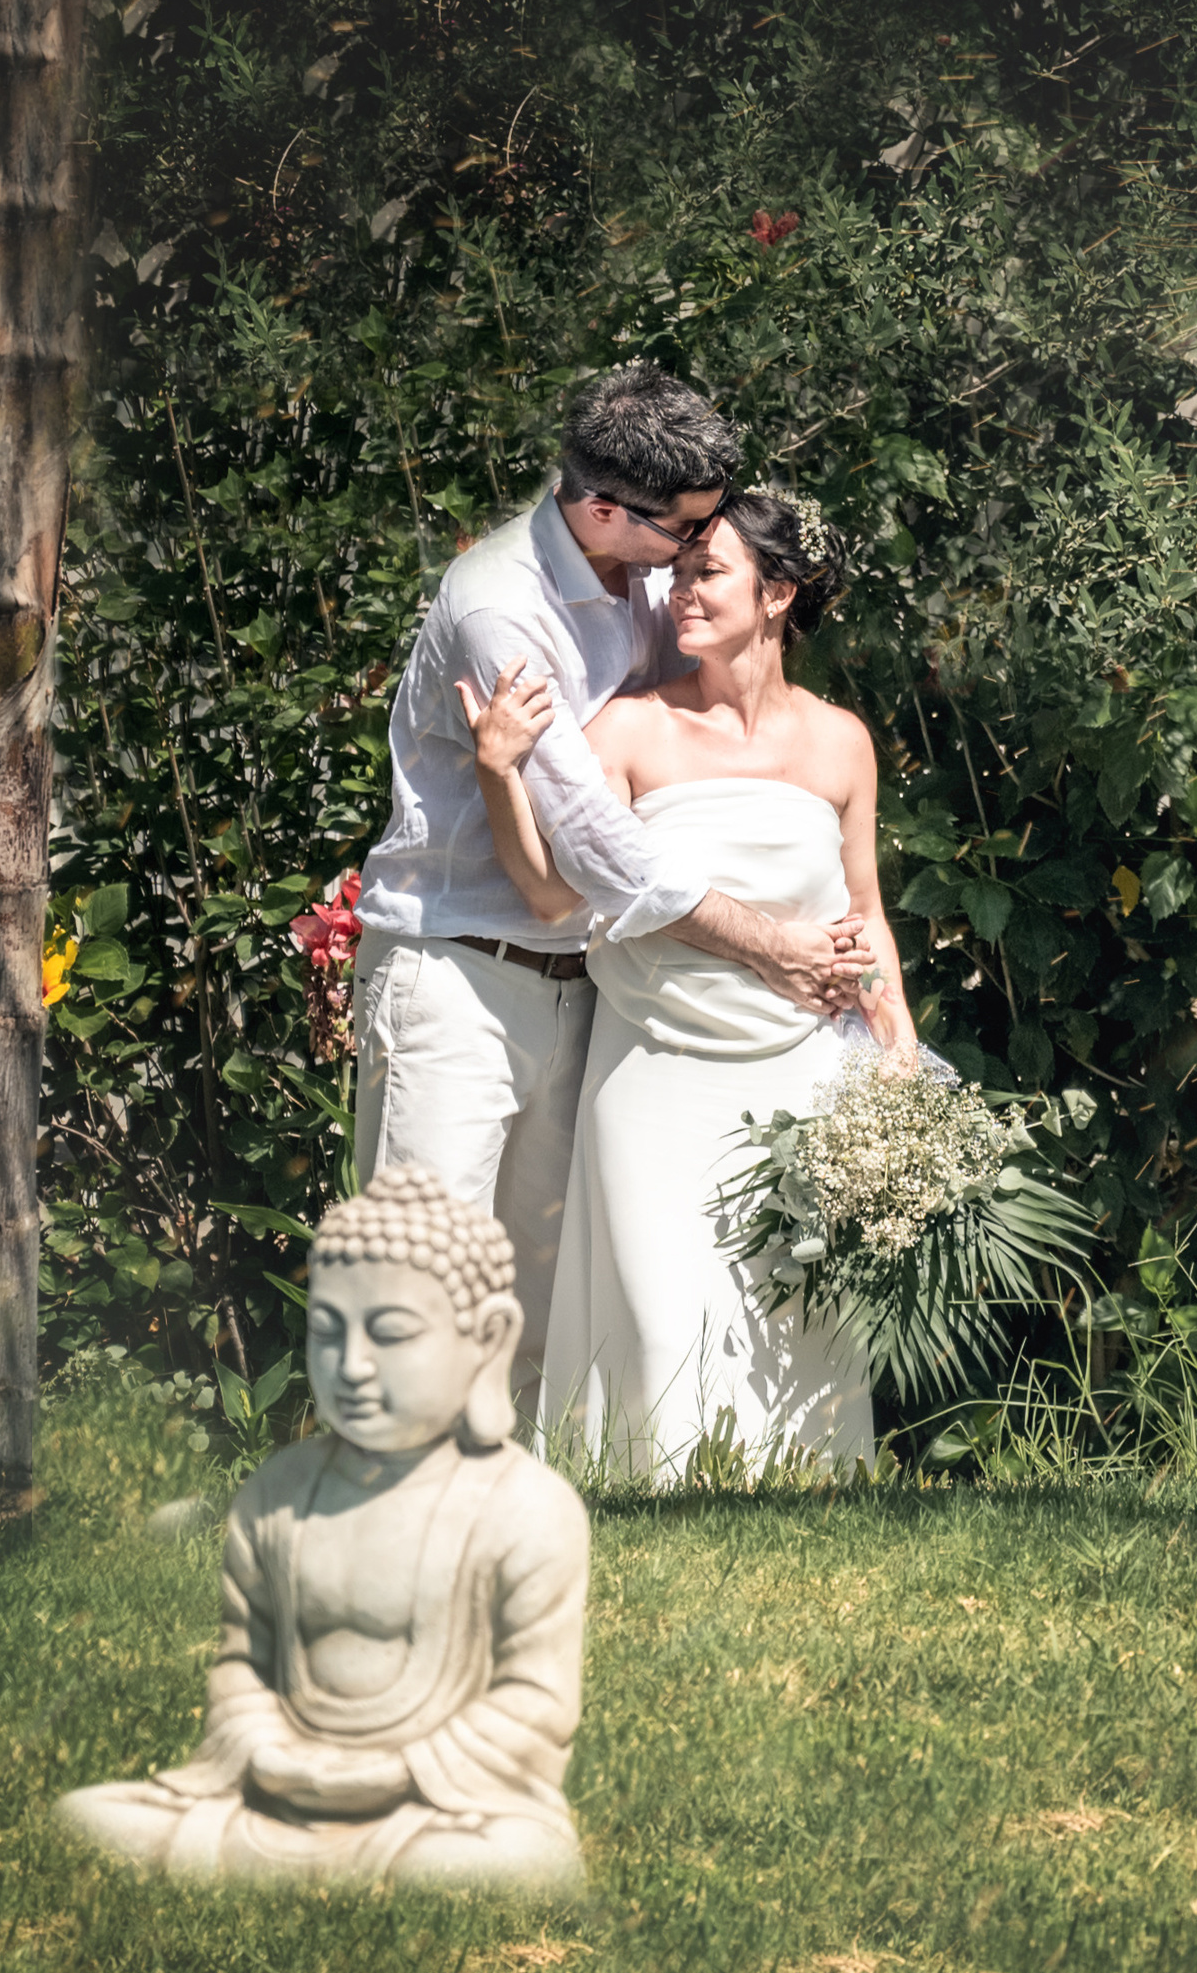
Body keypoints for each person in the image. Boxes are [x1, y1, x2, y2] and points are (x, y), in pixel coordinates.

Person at [348, 366, 872, 1410]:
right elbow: (593, 841)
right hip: (459, 972)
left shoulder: (636, 584)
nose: (693, 552)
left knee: (540, 1297)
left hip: (579, 982)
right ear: (603, 509)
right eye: (685, 530)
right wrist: (766, 943)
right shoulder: (502, 606)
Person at [458, 490, 908, 1482]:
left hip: (801, 1065)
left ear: (778, 593)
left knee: (798, 1317)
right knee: (663, 1318)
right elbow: (545, 893)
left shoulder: (841, 743)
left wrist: (899, 1063)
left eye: (706, 572)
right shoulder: (626, 730)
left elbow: (865, 912)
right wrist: (498, 769)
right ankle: (643, 1495)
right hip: (653, 1068)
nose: (676, 593)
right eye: (675, 572)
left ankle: (800, 1503)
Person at [57, 1167, 589, 1891]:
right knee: (87, 1815)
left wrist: (398, 1771)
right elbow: (243, 1666)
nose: (353, 1367)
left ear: (488, 1338)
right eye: (328, 1333)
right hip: (280, 1788)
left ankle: (302, 1863)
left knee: (517, 1864)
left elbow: (537, 1702)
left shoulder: (529, 1509)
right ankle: (302, 1857)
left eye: (393, 1334)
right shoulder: (276, 1495)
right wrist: (268, 1747)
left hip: (437, 1809)